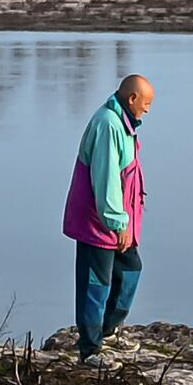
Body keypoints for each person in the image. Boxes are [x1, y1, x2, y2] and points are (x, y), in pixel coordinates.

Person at [63, 70, 153, 357]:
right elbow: (106, 180)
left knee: (129, 271)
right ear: (132, 97)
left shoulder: (124, 124)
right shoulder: (108, 125)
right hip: (99, 224)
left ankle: (108, 329)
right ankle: (90, 350)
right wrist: (117, 222)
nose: (148, 110)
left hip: (117, 224)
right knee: (95, 284)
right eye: (146, 103)